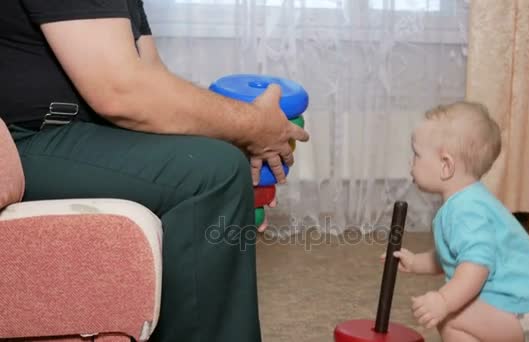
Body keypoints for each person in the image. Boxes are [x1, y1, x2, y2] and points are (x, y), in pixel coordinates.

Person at [0, 1, 309, 341]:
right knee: (212, 173)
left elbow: (150, 77)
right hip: (20, 142)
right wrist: (251, 125)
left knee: (212, 155)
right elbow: (121, 92)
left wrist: (236, 130)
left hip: (73, 132)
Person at [383, 102, 529, 341]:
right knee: (454, 319)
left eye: (416, 154)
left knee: (451, 319)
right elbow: (454, 255)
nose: (411, 162)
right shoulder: (468, 200)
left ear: (446, 165)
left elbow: (475, 267)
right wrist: (416, 262)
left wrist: (443, 300)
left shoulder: (466, 210)